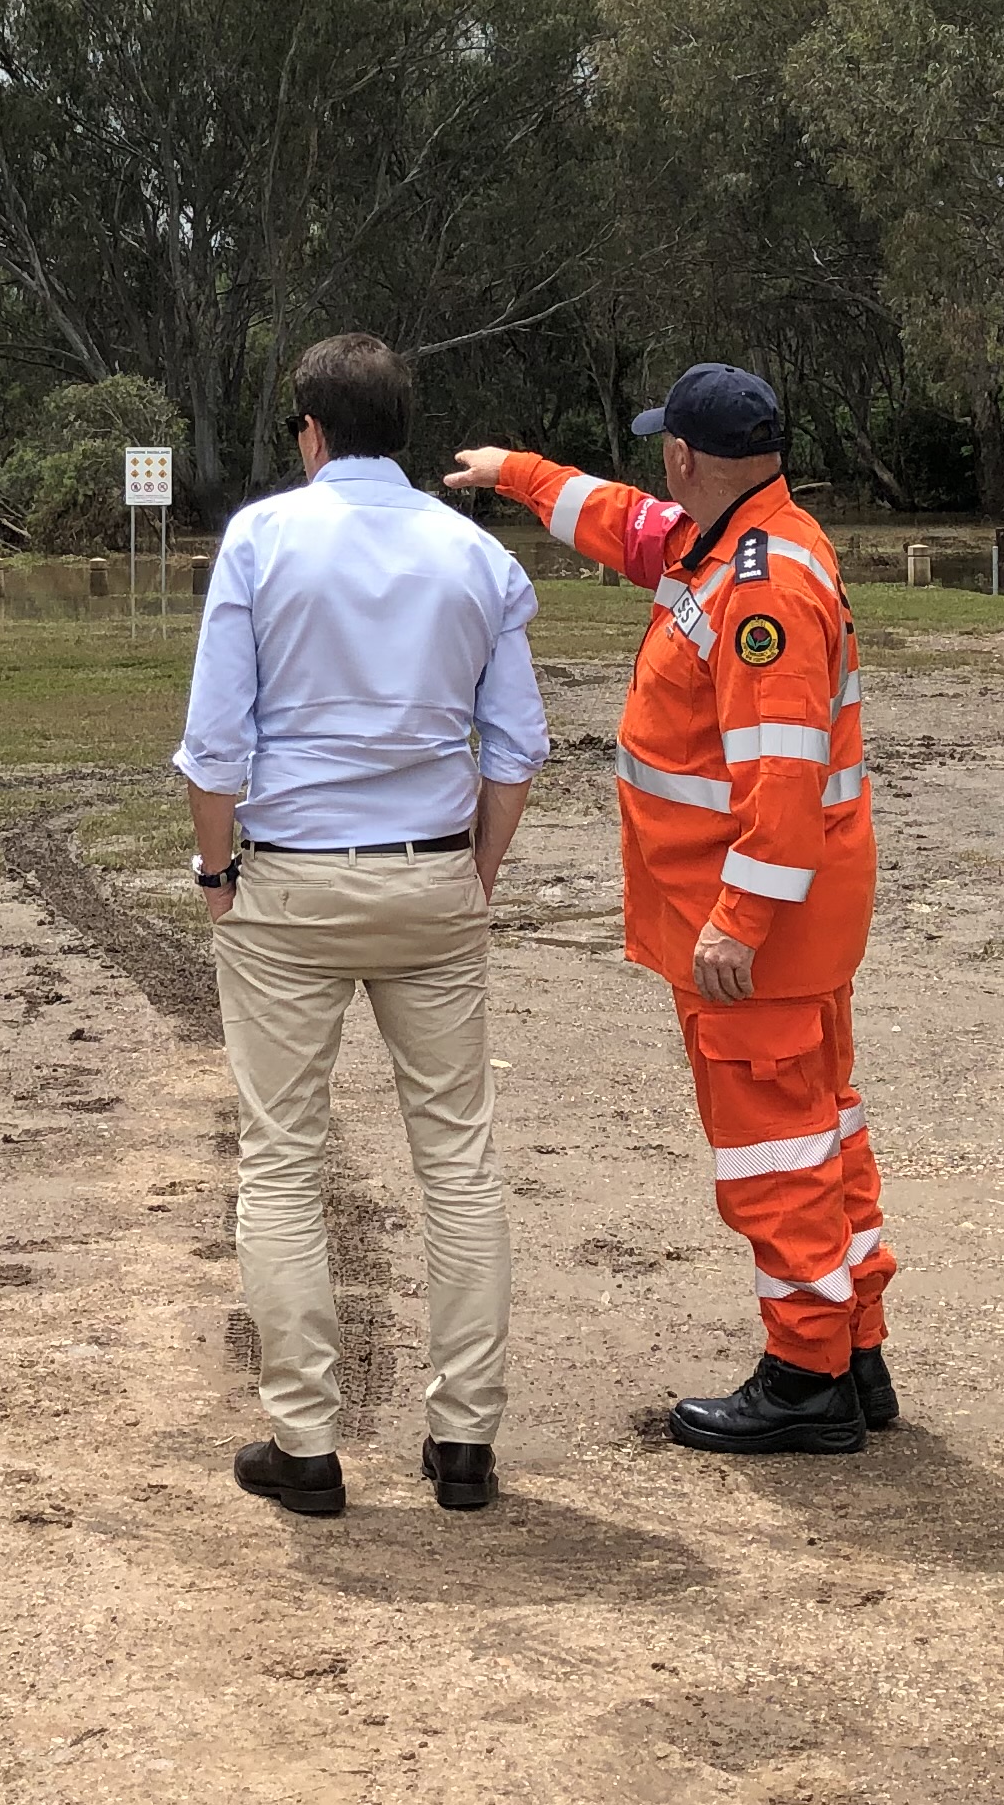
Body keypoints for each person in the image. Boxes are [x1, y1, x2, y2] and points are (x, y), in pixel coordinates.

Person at [444, 364, 891, 1455]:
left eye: (663, 449)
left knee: (776, 1149)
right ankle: (851, 1348)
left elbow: (779, 778)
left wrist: (739, 920)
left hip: (757, 935)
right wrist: (513, 474)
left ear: (686, 455)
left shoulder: (761, 586)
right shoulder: (731, 537)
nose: (656, 468)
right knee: (825, 1130)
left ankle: (803, 1380)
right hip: (783, 925)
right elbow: (617, 522)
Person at [178, 334, 549, 1519]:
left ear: (311, 430)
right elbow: (519, 747)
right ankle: (464, 1438)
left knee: (281, 1160)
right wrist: (475, 870)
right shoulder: (475, 554)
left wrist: (214, 868)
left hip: (289, 882)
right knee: (457, 1156)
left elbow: (216, 739)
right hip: (433, 878)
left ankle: (305, 1437)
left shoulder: (263, 539)